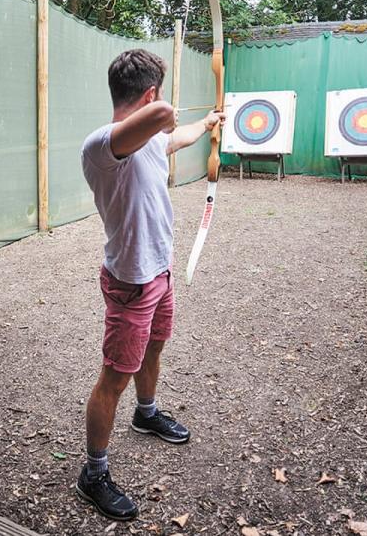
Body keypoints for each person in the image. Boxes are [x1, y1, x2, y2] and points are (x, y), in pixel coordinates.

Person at [77, 49, 225, 520]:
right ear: (150, 94)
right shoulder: (102, 145)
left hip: (159, 270)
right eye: (157, 97)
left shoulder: (149, 139)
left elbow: (171, 136)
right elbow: (162, 119)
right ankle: (93, 472)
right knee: (114, 376)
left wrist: (205, 126)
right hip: (131, 281)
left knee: (155, 348)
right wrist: (162, 110)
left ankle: (147, 412)